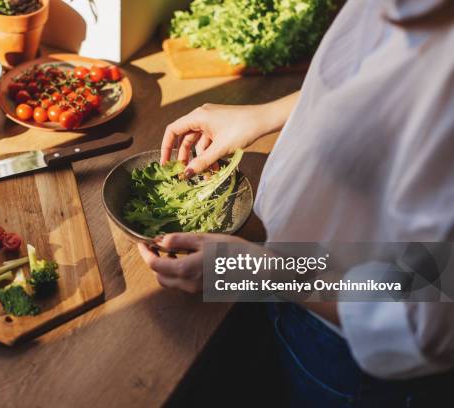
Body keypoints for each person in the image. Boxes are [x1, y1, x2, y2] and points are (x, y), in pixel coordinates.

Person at [138, 0, 454, 406]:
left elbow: (424, 317)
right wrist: (265, 114)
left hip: (345, 357)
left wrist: (256, 269)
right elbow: (367, 85)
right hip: (291, 285)